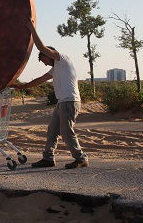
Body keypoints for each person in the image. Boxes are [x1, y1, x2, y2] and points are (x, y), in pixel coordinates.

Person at [11, 18, 89, 169]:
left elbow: (40, 46)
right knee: (52, 131)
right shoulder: (56, 68)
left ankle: (81, 158)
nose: (44, 63)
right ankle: (48, 158)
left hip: (70, 101)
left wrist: (31, 28)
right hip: (62, 103)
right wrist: (22, 86)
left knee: (67, 132)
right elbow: (40, 79)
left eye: (43, 59)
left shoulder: (62, 59)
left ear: (49, 54)